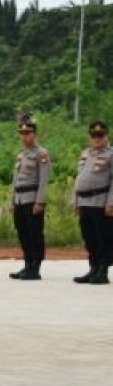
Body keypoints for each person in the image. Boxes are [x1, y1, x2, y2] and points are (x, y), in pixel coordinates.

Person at [71, 120, 113, 285]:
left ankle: (102, 270)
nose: (97, 138)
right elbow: (79, 177)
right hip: (84, 201)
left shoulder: (110, 154)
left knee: (103, 238)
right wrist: (75, 200)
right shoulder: (86, 153)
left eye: (100, 135)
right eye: (94, 135)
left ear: (106, 136)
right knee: (89, 237)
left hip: (100, 202)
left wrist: (111, 203)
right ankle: (93, 268)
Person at [9, 115, 49, 280]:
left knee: (34, 234)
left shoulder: (41, 154)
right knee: (23, 234)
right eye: (22, 133)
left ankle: (35, 267)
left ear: (35, 134)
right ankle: (27, 264)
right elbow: (15, 180)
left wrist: (40, 201)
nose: (25, 136)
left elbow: (43, 180)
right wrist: (12, 201)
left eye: (28, 133)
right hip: (20, 199)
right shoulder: (21, 155)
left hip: (32, 200)